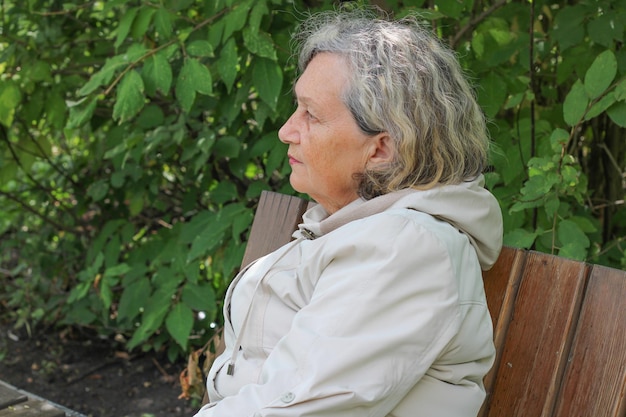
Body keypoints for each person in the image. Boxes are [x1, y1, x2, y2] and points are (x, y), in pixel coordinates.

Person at [194, 7, 503, 417]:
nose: (287, 130)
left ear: (380, 149)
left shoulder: (405, 249)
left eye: (311, 114)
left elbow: (299, 408)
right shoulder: (349, 228)